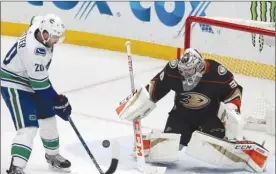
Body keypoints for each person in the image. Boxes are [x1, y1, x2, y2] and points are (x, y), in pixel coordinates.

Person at [116, 48, 269, 173]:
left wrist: (233, 109)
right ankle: (146, 144)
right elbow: (155, 88)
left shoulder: (218, 73)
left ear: (199, 68)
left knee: (212, 150)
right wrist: (139, 101)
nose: (185, 77)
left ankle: (241, 152)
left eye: (189, 74)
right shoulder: (173, 69)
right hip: (181, 117)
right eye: (183, 74)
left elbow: (234, 91)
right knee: (166, 149)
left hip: (209, 118)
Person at [1, 14, 72, 174]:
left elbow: (35, 17)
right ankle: (16, 167)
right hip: (14, 83)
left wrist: (56, 103)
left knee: (48, 118)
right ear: (44, 33)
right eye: (54, 37)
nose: (56, 41)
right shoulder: (34, 51)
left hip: (31, 78)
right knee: (28, 127)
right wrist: (59, 101)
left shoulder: (39, 26)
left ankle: (53, 156)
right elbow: (39, 85)